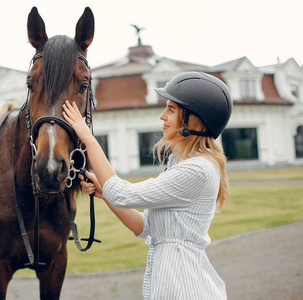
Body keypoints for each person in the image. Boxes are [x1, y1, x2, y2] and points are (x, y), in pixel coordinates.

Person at [62, 71, 232, 300]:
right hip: (172, 282)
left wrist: (88, 138)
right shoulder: (181, 164)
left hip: (184, 287)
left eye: (171, 109)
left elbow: (123, 194)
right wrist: (104, 193)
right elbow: (143, 226)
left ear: (192, 119)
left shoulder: (197, 170)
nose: (162, 116)